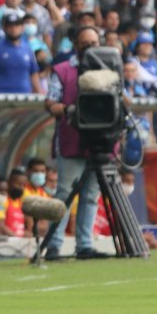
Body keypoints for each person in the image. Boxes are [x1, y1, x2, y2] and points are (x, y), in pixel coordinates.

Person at [43, 25, 109, 261]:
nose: (90, 48)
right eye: (85, 43)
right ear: (76, 45)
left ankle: (84, 244)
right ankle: (54, 244)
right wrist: (59, 108)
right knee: (65, 194)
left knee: (91, 195)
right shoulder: (62, 70)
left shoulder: (109, 68)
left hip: (100, 141)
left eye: (94, 43)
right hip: (72, 140)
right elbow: (50, 100)